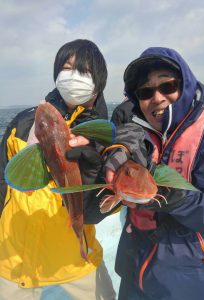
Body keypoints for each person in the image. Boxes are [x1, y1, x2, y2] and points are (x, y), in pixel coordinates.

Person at [103, 47, 204, 300]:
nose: (157, 98)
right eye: (146, 92)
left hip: (186, 281)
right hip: (133, 269)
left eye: (167, 86)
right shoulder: (134, 134)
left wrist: (177, 196)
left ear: (186, 85)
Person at [0, 39, 116, 300]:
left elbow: (98, 212)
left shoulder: (105, 137)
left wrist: (90, 175)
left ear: (98, 82)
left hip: (75, 267)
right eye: (66, 68)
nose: (73, 77)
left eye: (83, 72)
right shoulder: (23, 122)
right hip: (11, 264)